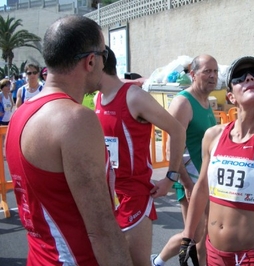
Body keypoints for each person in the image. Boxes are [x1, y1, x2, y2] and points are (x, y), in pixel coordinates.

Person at [5, 15, 133, 266]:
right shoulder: (75, 120)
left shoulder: (20, 114)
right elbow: (102, 229)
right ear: (91, 61)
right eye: (104, 55)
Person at [178, 56, 254, 266]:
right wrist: (187, 237)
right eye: (239, 78)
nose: (249, 77)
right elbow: (201, 187)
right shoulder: (213, 135)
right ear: (230, 97)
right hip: (214, 253)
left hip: (253, 258)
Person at [95, 45, 186, 266]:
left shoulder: (134, 96)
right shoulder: (98, 97)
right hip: (108, 194)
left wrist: (171, 178)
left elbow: (177, 130)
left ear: (98, 64)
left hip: (134, 195)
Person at [152, 54, 218, 266]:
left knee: (208, 234)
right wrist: (186, 183)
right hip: (190, 181)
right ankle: (158, 262)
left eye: (215, 71)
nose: (213, 76)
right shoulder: (183, 102)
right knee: (193, 235)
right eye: (207, 71)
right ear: (193, 74)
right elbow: (172, 149)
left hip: (206, 181)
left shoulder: (206, 103)